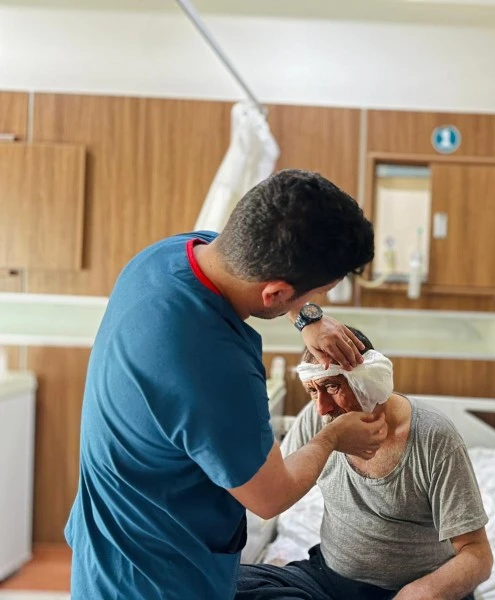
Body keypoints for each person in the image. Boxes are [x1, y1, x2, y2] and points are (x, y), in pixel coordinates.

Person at [66, 170, 390, 599]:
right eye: (315, 295)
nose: (316, 304)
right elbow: (270, 497)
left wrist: (306, 317)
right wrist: (333, 438)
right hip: (157, 579)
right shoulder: (214, 363)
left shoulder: (169, 255)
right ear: (275, 293)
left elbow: (249, 266)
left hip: (108, 545)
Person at [237, 326, 494, 600]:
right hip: (329, 581)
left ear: (370, 379)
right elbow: (276, 492)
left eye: (332, 386)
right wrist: (328, 439)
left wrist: (423, 592)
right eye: (312, 390)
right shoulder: (319, 420)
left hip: (415, 589)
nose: (322, 407)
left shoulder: (434, 438)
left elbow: (478, 555)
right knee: (233, 585)